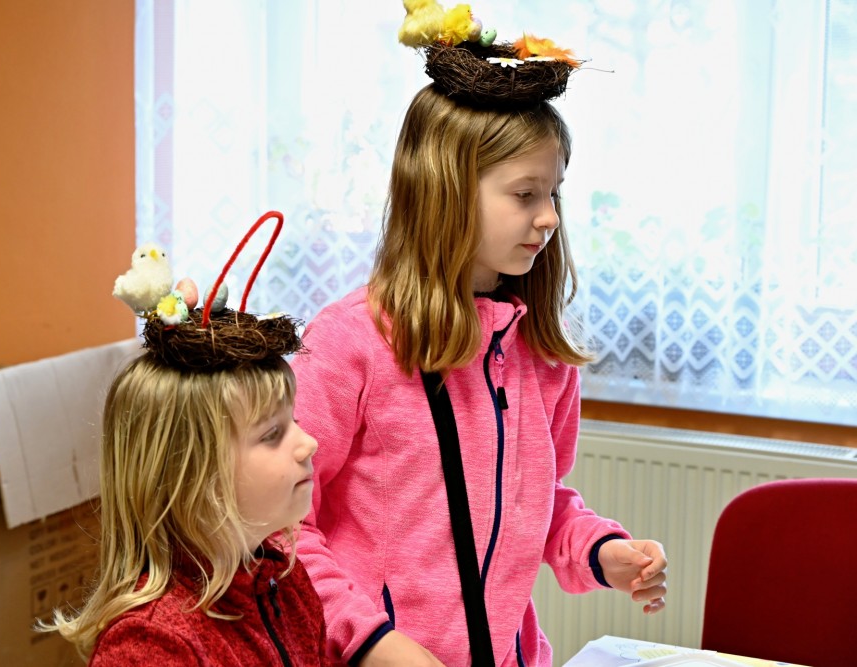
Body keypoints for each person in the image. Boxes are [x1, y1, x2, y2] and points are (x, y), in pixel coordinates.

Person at [290, 10, 667, 667]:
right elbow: (282, 528)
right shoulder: (349, 344)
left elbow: (535, 505)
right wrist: (373, 642)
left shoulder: (541, 352)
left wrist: (601, 550)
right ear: (446, 190)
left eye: (554, 193)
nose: (548, 217)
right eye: (524, 194)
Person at [40, 216, 329, 666]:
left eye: (292, 422)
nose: (308, 443)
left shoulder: (286, 585)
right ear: (192, 477)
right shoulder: (151, 648)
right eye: (272, 434)